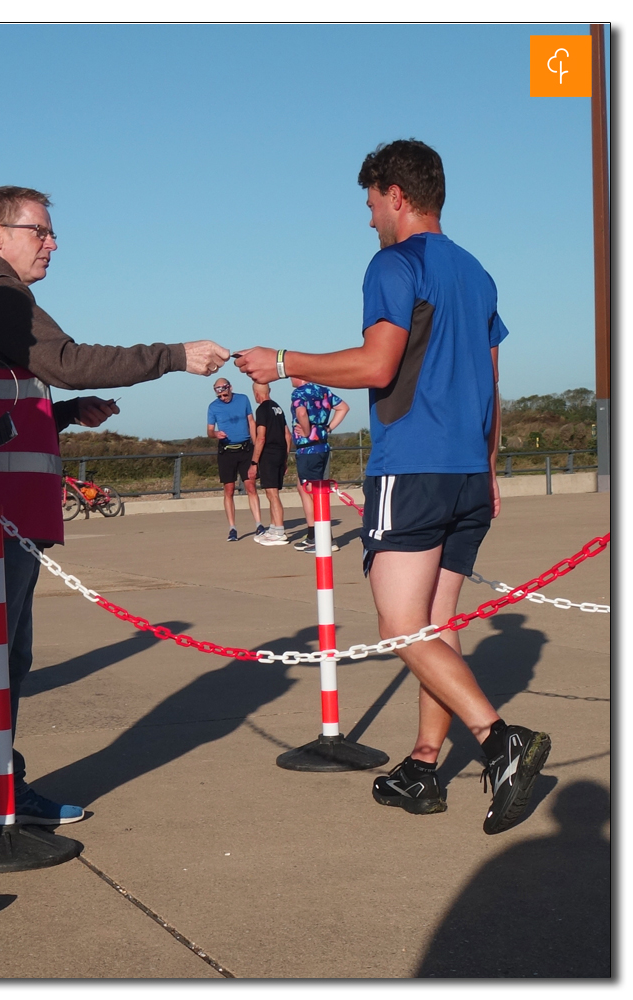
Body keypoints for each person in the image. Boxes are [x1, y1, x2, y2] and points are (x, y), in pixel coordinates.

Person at [233, 139, 550, 835]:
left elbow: (379, 366)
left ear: (397, 196)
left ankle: (501, 742)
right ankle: (423, 767)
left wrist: (284, 360)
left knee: (401, 628)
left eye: (372, 202)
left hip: (411, 466)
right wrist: (490, 470)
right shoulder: (477, 273)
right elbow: (491, 383)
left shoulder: (394, 263)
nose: (369, 216)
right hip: (468, 471)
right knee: (435, 628)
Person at [0, 185, 230, 840]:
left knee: (6, 651)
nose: (52, 243)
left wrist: (62, 414)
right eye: (41, 231)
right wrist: (173, 357)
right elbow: (64, 360)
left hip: (2, 502)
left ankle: (2, 783)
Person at [289, 378, 349, 552]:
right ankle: (313, 534)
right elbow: (343, 407)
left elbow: (301, 413)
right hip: (322, 447)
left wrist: (307, 431)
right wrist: (328, 428)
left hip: (308, 450)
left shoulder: (300, 393)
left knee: (314, 492)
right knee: (303, 487)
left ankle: (326, 539)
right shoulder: (324, 391)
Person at [207, 377, 263, 542]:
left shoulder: (243, 399)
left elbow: (251, 422)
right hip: (226, 452)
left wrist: (255, 445)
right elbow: (209, 430)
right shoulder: (213, 407)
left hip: (245, 449)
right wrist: (216, 434)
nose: (223, 398)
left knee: (250, 486)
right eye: (220, 397)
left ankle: (259, 524)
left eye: (225, 394)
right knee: (229, 489)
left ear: (230, 388)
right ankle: (232, 528)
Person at [249, 382, 291, 545]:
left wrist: (254, 462)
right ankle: (273, 528)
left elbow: (261, 437)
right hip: (280, 453)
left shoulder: (262, 409)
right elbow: (287, 435)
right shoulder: (277, 408)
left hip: (269, 454)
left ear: (256, 393)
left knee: (273, 494)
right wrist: (285, 457)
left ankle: (280, 531)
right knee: (270, 492)